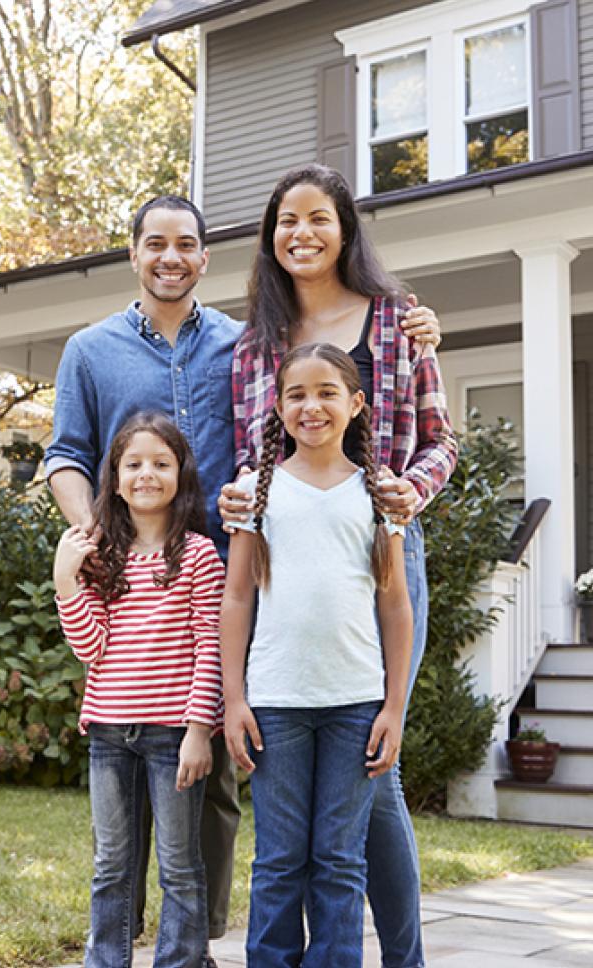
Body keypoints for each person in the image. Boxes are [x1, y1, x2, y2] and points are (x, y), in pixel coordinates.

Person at [45, 193, 442, 965]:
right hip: (181, 576)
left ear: (205, 257)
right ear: (132, 252)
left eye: (186, 244)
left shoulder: (248, 339)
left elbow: (399, 422)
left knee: (306, 778)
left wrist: (425, 336)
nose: (169, 257)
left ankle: (241, 941)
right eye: (154, 244)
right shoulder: (103, 349)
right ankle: (155, 940)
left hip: (291, 556)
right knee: (206, 758)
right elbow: (66, 454)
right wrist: (93, 541)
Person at [220, 163, 457, 967]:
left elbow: (440, 439)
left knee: (373, 759)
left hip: (383, 550)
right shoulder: (253, 345)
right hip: (285, 566)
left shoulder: (397, 320)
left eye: (318, 218)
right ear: (270, 237)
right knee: (368, 786)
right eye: (286, 221)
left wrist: (403, 495)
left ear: (345, 229)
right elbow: (250, 461)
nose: (302, 234)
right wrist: (234, 503)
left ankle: (403, 956)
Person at [220, 342, 413, 967]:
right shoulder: (256, 491)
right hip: (276, 705)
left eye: (328, 392)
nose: (312, 406)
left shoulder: (377, 495)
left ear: (356, 404)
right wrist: (234, 700)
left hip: (355, 706)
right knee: (279, 860)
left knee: (338, 859)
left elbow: (394, 605)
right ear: (277, 406)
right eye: (297, 394)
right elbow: (239, 599)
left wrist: (394, 708)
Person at [53, 411, 225, 968]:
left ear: (181, 473)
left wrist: (200, 733)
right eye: (133, 464)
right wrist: (65, 579)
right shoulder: (102, 557)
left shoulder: (199, 555)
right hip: (108, 733)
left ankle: (179, 961)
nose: (146, 474)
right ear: (115, 477)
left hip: (173, 735)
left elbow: (211, 648)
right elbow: (89, 647)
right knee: (112, 865)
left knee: (179, 864)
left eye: (160, 463)